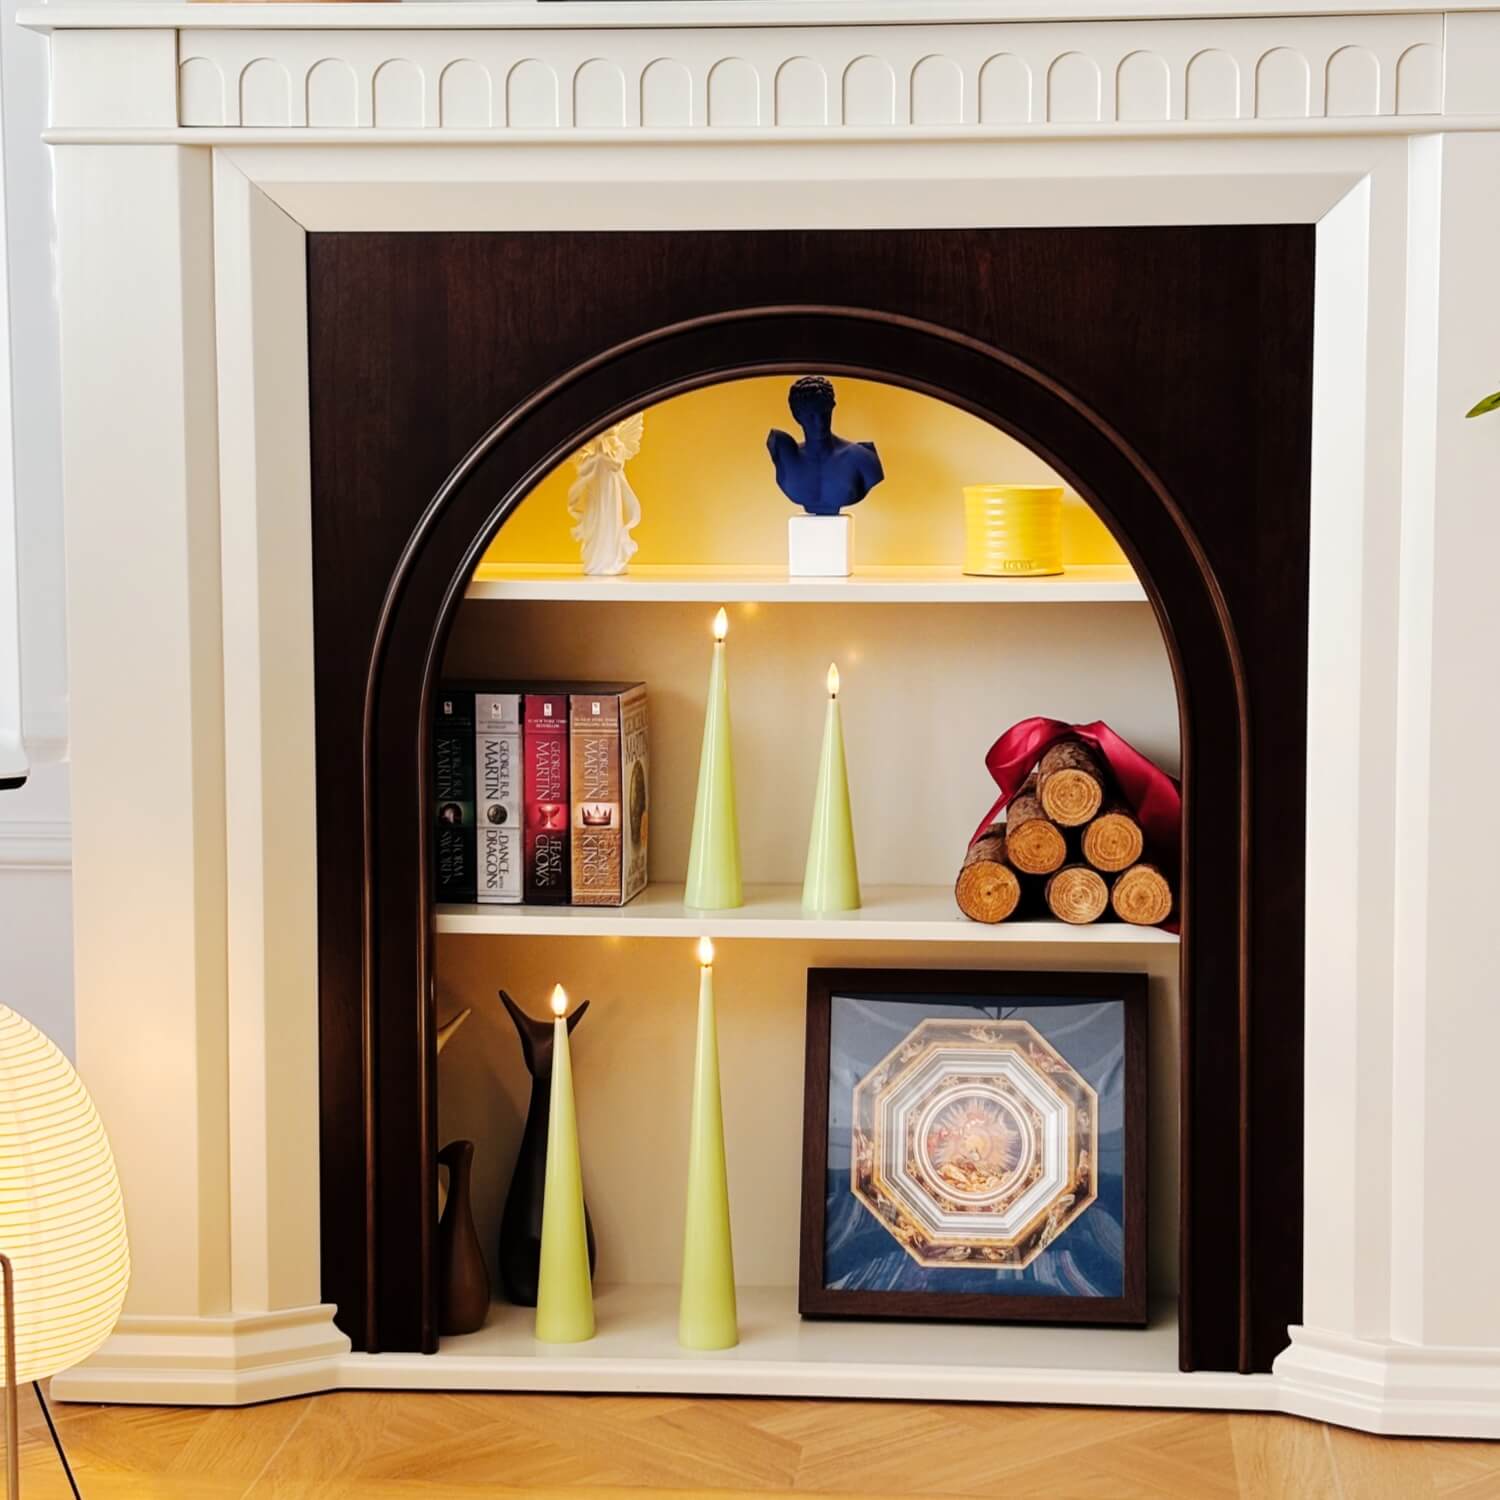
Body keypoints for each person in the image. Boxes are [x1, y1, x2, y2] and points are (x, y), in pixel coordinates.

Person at [766, 376, 884, 516]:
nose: (819, 423)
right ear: (797, 415)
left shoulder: (861, 458)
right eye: (810, 416)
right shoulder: (785, 453)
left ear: (832, 408)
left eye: (824, 414)